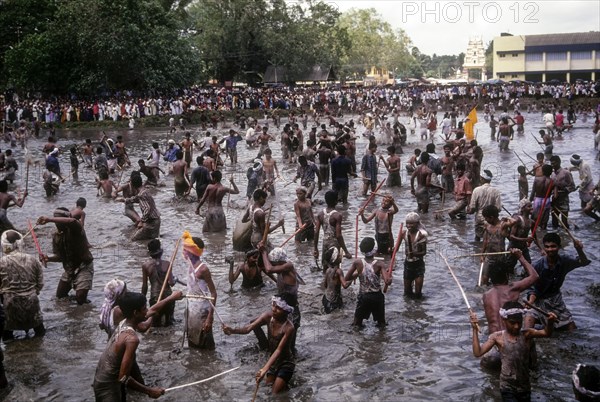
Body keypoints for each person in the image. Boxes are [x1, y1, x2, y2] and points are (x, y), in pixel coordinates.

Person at [471, 301, 557, 402]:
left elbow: (547, 333)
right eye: (512, 323)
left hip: (524, 386)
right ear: (504, 320)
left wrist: (550, 322)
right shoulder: (497, 337)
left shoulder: (527, 334)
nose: (516, 326)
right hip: (507, 386)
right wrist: (474, 330)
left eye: (519, 322)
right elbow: (478, 352)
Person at [93, 292, 166, 401]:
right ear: (135, 313)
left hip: (100, 378)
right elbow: (123, 378)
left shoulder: (124, 321)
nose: (147, 311)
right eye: (144, 308)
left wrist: (170, 298)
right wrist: (149, 391)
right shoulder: (132, 339)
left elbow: (150, 313)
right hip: (109, 388)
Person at [222, 294, 296, 394]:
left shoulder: (289, 328)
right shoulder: (268, 316)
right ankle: (285, 386)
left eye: (278, 308)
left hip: (286, 363)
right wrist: (232, 330)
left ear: (286, 311)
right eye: (273, 305)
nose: (274, 309)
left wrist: (264, 368)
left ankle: (285, 384)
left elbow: (279, 350)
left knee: (274, 394)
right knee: (268, 388)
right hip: (273, 362)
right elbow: (249, 328)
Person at [479, 250, 540, 370]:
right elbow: (535, 276)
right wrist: (520, 257)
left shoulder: (486, 295)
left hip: (494, 345)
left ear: (491, 278)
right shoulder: (512, 288)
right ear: (507, 276)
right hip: (511, 342)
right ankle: (534, 370)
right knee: (531, 343)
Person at [524, 232, 590, 331]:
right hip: (537, 300)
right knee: (527, 330)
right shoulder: (537, 265)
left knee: (572, 330)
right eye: (547, 247)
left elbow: (583, 262)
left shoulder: (564, 260)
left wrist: (579, 250)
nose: (550, 250)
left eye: (553, 246)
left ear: (559, 247)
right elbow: (532, 288)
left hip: (555, 300)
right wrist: (530, 301)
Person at [37, 207, 94, 305]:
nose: (58, 223)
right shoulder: (56, 236)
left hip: (83, 266)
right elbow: (60, 257)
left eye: (59, 220)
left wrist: (49, 219)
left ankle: (83, 304)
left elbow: (71, 220)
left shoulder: (76, 228)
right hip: (70, 269)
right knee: (60, 297)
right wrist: (48, 258)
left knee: (80, 298)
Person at [0, 230, 45, 339]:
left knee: (7, 336)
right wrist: (33, 292)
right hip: (32, 302)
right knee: (40, 332)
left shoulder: (1, 262)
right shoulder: (32, 259)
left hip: (10, 304)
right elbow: (40, 283)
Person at [344, 237, 391, 327]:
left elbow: (347, 278)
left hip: (363, 296)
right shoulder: (380, 264)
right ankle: (381, 339)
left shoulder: (357, 262)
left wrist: (359, 273)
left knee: (356, 324)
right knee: (381, 324)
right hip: (377, 296)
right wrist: (390, 277)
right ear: (374, 249)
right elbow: (387, 281)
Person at [261, 247, 301, 351]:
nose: (272, 264)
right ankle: (266, 349)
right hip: (281, 310)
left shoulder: (288, 266)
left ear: (278, 262)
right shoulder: (282, 267)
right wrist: (261, 251)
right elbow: (264, 267)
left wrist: (264, 252)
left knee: (290, 346)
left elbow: (269, 269)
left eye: (274, 263)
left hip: (291, 311)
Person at [182, 232, 218, 349]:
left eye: (186, 249)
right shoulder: (190, 265)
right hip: (191, 308)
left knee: (206, 341)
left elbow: (213, 293)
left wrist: (210, 318)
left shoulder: (203, 269)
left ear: (193, 251)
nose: (184, 252)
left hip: (202, 310)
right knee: (192, 338)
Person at [314, 191, 352, 272]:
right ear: (336, 201)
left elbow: (316, 232)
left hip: (325, 244)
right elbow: (338, 235)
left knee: (325, 268)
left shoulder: (320, 214)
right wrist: (346, 251)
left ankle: (324, 283)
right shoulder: (337, 216)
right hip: (334, 244)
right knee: (335, 269)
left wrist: (315, 248)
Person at [141, 239, 176, 327]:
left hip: (155, 298)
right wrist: (175, 280)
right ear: (161, 251)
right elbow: (171, 283)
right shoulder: (167, 264)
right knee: (169, 324)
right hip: (168, 297)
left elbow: (145, 286)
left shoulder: (146, 266)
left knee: (155, 325)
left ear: (149, 253)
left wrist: (142, 300)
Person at [121, 174, 161, 241]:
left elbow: (146, 209)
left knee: (133, 240)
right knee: (152, 240)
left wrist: (141, 222)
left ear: (133, 186)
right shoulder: (145, 191)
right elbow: (136, 199)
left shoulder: (141, 195)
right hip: (156, 220)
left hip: (151, 223)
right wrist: (125, 200)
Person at [468, 169, 502, 242]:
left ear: (482, 179)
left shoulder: (476, 190)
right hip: (491, 218)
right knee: (490, 238)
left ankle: (477, 249)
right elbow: (498, 208)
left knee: (477, 236)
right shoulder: (496, 191)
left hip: (479, 217)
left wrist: (469, 211)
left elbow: (472, 208)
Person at [402, 213, 427, 298]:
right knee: (407, 293)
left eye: (411, 223)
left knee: (418, 294)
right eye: (407, 223)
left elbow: (424, 252)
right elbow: (396, 248)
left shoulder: (421, 235)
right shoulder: (404, 233)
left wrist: (414, 254)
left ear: (417, 223)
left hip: (418, 265)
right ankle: (408, 309)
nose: (409, 225)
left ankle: (418, 309)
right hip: (408, 264)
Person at [321, 246, 351, 313]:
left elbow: (325, 285)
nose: (341, 256)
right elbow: (345, 285)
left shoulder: (328, 270)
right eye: (338, 256)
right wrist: (351, 280)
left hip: (326, 299)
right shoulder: (339, 271)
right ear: (335, 259)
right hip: (334, 302)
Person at [550, 155, 576, 229]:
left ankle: (566, 237)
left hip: (563, 199)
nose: (553, 165)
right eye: (551, 164)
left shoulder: (566, 173)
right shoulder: (552, 174)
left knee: (564, 222)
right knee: (554, 221)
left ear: (559, 162)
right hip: (554, 199)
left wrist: (565, 190)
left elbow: (572, 186)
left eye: (554, 163)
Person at [529, 164, 553, 230]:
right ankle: (543, 232)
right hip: (546, 200)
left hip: (537, 200)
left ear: (542, 171)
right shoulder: (552, 181)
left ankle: (535, 234)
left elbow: (533, 193)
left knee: (535, 219)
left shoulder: (536, 179)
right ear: (551, 172)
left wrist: (529, 202)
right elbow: (555, 195)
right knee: (544, 221)